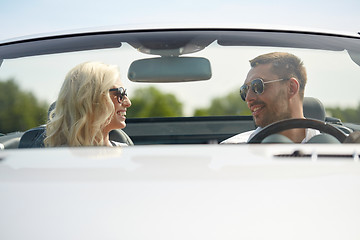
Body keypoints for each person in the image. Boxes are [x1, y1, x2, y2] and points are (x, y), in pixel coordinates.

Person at [221, 52, 319, 144]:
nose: (248, 98)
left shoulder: (333, 149)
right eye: (244, 90)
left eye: (257, 86)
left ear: (291, 88)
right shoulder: (232, 151)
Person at [44, 61, 131, 147]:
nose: (128, 103)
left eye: (125, 93)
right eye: (120, 93)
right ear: (90, 99)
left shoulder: (125, 152)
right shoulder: (58, 158)